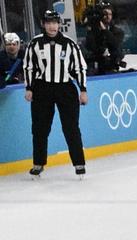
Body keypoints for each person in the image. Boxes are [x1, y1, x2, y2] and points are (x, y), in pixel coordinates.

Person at [22, 10, 87, 178]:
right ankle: (38, 163)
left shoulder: (69, 44)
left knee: (71, 127)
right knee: (40, 128)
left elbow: (79, 67)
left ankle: (79, 163)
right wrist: (29, 88)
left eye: (55, 22)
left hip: (65, 88)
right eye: (48, 23)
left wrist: (83, 90)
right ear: (43, 24)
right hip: (42, 89)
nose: (52, 26)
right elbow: (29, 67)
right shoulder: (35, 44)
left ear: (59, 24)